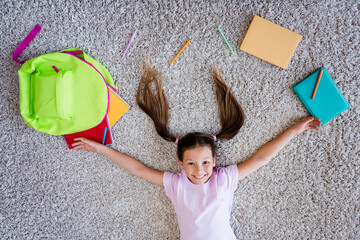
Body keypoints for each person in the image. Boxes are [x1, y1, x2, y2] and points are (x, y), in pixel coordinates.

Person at [72, 61, 321, 240]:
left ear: (214, 161)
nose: (199, 170)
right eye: (190, 163)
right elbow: (137, 169)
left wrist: (294, 131)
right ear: (180, 164)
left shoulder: (224, 179)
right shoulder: (176, 184)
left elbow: (261, 157)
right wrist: (101, 149)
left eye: (204, 163)